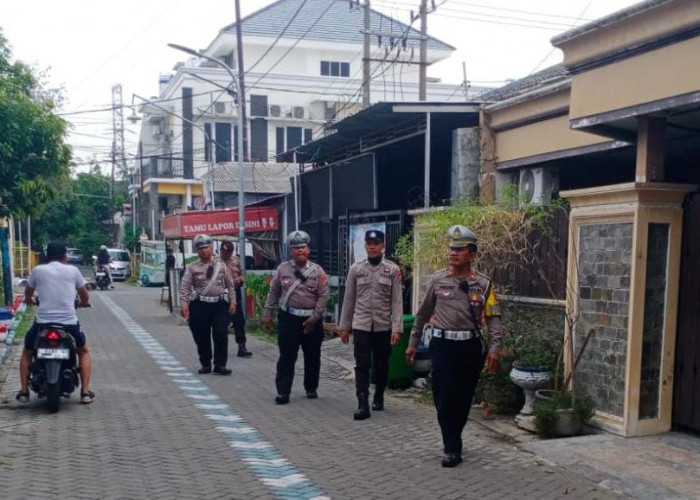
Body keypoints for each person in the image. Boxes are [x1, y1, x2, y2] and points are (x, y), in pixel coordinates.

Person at [405, 225, 503, 468]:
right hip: (442, 346)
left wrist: (495, 347)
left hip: (469, 347)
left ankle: (454, 437)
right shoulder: (438, 280)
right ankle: (451, 445)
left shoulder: (483, 284)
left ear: (472, 254)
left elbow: (493, 316)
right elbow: (422, 314)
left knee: (463, 397)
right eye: (451, 248)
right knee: (443, 396)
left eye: (459, 249)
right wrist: (413, 343)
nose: (453, 253)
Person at [16, 241, 94, 404]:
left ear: (47, 256)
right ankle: (85, 393)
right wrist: (84, 302)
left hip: (43, 323)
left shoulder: (38, 270)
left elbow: (28, 293)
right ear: (65, 256)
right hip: (69, 323)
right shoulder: (73, 271)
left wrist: (31, 300)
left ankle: (24, 391)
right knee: (83, 351)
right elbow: (84, 294)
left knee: (28, 352)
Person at [339, 229, 403, 420]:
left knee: (381, 364)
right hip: (361, 325)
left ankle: (379, 395)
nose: (372, 247)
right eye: (369, 244)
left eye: (376, 243)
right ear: (365, 246)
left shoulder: (392, 270)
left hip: (383, 325)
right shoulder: (356, 269)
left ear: (383, 246)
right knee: (362, 364)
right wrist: (344, 327)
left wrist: (397, 328)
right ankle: (362, 403)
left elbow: (397, 301)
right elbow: (349, 299)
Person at [263, 230, 330, 404]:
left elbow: (323, 296)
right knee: (287, 355)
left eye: (303, 247)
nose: (300, 251)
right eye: (296, 248)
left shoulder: (318, 271)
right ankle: (283, 392)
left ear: (308, 250)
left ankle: (311, 387)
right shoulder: (282, 269)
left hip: (311, 320)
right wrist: (267, 312)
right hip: (289, 319)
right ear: (290, 251)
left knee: (313, 356)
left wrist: (315, 317)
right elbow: (274, 291)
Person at [180, 234, 237, 375]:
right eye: (200, 248)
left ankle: (220, 365)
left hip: (219, 305)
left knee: (221, 335)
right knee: (201, 336)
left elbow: (230, 285)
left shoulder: (221, 265)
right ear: (196, 251)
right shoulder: (192, 267)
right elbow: (185, 287)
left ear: (211, 247)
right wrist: (184, 304)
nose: (203, 251)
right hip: (200, 305)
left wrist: (233, 302)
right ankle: (205, 363)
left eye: (206, 247)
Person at [220, 240, 252, 358]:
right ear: (221, 251)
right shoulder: (216, 262)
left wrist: (240, 279)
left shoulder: (236, 261)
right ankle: (221, 351)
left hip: (235, 291)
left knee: (239, 321)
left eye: (229, 251)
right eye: (224, 251)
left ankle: (242, 346)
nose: (226, 254)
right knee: (221, 323)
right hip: (222, 293)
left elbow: (242, 275)